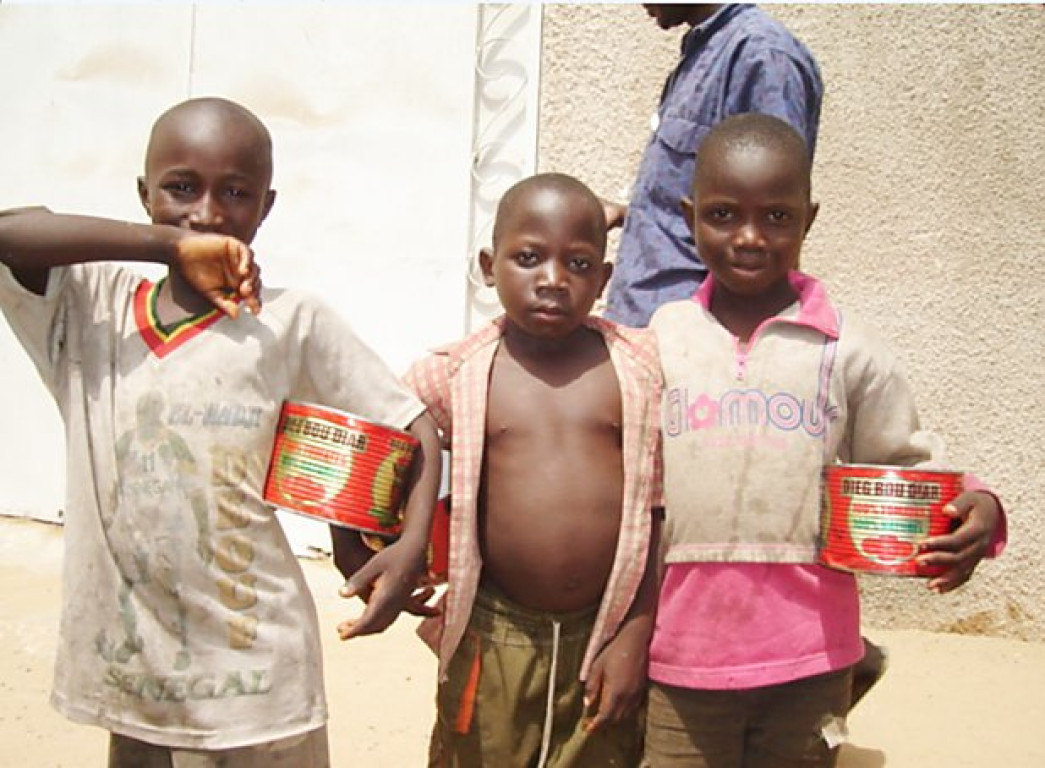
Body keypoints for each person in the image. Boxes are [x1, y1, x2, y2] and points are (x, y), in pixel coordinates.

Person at [0, 97, 442, 766]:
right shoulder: (92, 308)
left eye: (235, 193)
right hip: (137, 678)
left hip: (258, 682)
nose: (206, 212)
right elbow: (11, 232)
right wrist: (165, 243)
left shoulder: (290, 321)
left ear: (266, 206)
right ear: (144, 195)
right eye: (181, 188)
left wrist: (404, 547)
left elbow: (412, 429)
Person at [644, 113, 1006, 767]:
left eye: (776, 217)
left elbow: (905, 465)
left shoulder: (848, 349)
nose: (749, 236)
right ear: (689, 216)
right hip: (679, 652)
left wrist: (975, 507)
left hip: (810, 655)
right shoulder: (660, 340)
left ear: (808, 220)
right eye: (723, 215)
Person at [404, 173, 664, 767]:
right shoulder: (456, 371)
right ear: (489, 266)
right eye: (528, 258)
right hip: (495, 633)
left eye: (578, 263)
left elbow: (658, 511)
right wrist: (378, 549)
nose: (553, 279)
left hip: (605, 632)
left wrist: (636, 633)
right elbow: (385, 437)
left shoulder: (639, 371)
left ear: (603, 279)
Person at [603, 4, 823, 329]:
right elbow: (705, 207)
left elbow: (773, 225)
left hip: (696, 344)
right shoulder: (704, 50)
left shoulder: (762, 57)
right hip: (648, 331)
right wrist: (630, 214)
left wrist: (757, 350)